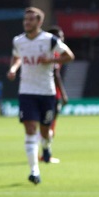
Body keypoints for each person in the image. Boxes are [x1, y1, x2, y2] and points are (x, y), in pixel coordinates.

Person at [7, 7, 74, 185]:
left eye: (30, 20)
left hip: (47, 93)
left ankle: (46, 146)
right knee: (30, 130)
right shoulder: (18, 41)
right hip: (27, 92)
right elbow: (17, 57)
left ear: (38, 22)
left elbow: (69, 56)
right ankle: (34, 171)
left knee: (46, 133)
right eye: (25, 20)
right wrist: (13, 69)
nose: (26, 23)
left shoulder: (50, 40)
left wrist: (51, 60)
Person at [39, 26, 70, 164]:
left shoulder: (46, 52)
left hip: (43, 92)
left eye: (62, 36)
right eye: (59, 37)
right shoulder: (54, 54)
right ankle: (45, 153)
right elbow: (56, 75)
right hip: (52, 94)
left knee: (48, 125)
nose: (61, 39)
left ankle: (44, 152)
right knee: (49, 125)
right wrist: (63, 94)